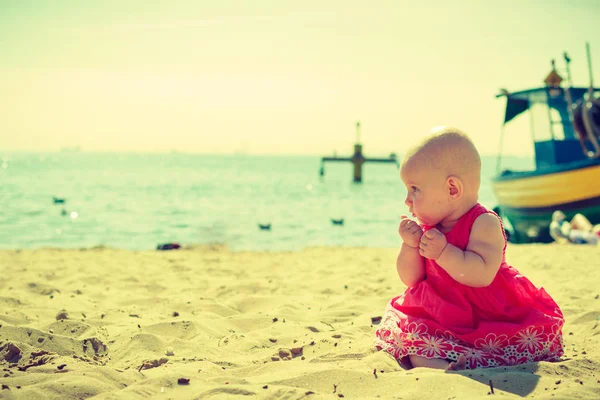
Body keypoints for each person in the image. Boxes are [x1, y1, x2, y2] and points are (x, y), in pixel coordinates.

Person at [374, 126, 564, 370]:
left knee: (504, 344)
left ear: (452, 189)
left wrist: (443, 253)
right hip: (439, 311)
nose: (407, 200)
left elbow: (481, 275)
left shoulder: (484, 222)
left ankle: (464, 361)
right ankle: (444, 365)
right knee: (415, 346)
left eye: (415, 189)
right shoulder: (429, 225)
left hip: (486, 313)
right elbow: (411, 279)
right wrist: (410, 246)